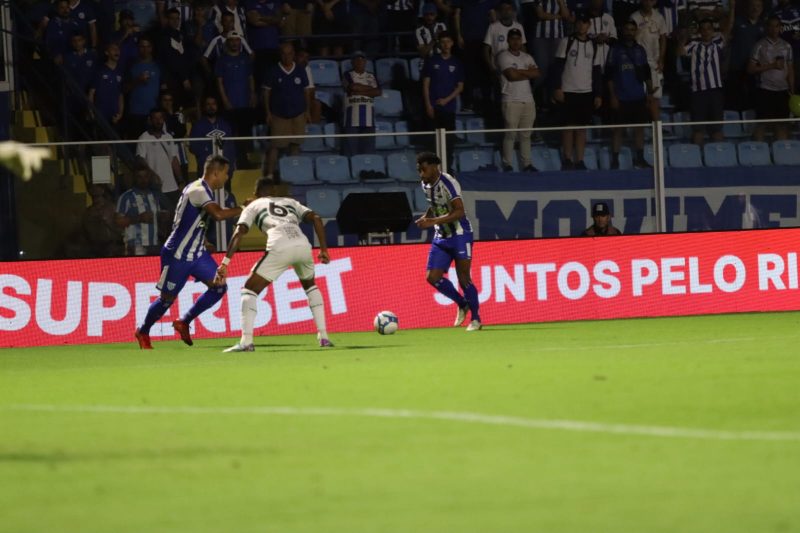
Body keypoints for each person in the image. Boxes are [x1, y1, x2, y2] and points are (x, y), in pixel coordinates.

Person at [134, 154, 243, 350]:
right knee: (166, 300)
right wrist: (244, 208)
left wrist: (204, 240)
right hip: (177, 254)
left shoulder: (203, 190)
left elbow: (196, 221)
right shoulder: (198, 190)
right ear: (216, 173)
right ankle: (143, 330)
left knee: (219, 287)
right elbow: (218, 215)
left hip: (198, 254)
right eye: (226, 173)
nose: (227, 177)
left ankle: (184, 321)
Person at [215, 178, 333, 352]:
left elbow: (240, 231)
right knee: (310, 286)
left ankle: (246, 342)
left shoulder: (253, 205)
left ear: (255, 194)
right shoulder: (290, 202)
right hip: (303, 245)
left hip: (280, 245)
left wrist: (225, 263)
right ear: (274, 192)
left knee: (249, 290)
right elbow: (316, 218)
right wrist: (324, 250)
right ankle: (324, 337)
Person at [414, 152, 482, 331]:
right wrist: (426, 217)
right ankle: (462, 303)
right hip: (441, 236)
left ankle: (476, 319)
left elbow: (459, 211)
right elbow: (435, 204)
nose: (421, 174)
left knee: (464, 278)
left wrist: (432, 221)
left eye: (424, 169)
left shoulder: (448, 183)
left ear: (434, 167)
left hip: (460, 234)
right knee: (432, 277)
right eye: (419, 170)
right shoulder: (425, 184)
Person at [552, 12, 603, 169]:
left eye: (585, 23)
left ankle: (580, 160)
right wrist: (557, 87)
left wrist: (598, 94)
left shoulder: (594, 45)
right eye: (579, 22)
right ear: (576, 24)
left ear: (589, 25)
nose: (582, 25)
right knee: (568, 127)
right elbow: (557, 66)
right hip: (568, 90)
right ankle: (567, 159)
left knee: (582, 128)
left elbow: (596, 71)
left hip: (586, 92)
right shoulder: (567, 41)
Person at [677, 13, 733, 146]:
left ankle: (718, 155)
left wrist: (732, 9)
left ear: (713, 31)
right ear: (699, 31)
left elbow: (729, 28)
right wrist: (684, 36)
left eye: (709, 28)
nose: (706, 31)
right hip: (698, 92)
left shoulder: (718, 43)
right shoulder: (694, 45)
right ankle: (697, 155)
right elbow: (679, 52)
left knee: (717, 129)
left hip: (715, 91)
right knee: (698, 129)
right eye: (703, 29)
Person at [606, 19, 654, 169]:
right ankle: (615, 160)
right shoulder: (615, 50)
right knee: (618, 130)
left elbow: (646, 73)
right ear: (622, 31)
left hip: (638, 96)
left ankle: (640, 158)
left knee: (639, 129)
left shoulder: (640, 50)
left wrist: (650, 93)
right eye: (627, 29)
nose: (629, 32)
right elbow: (609, 75)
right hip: (621, 96)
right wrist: (613, 96)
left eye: (632, 30)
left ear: (636, 32)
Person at [262, 40, 312, 180]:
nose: (287, 57)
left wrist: (307, 111)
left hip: (298, 114)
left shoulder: (300, 70)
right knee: (275, 146)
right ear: (280, 55)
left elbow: (306, 92)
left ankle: (292, 175)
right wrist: (268, 112)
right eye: (284, 54)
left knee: (295, 144)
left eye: (289, 54)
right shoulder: (273, 71)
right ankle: (269, 175)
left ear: (293, 54)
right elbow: (266, 92)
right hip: (278, 115)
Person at [496, 27, 540, 172]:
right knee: (510, 134)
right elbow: (511, 76)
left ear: (521, 40)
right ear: (508, 40)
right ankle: (507, 164)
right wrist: (527, 72)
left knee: (526, 134)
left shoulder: (527, 57)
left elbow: (536, 73)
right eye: (513, 39)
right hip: (511, 99)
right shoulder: (503, 56)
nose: (516, 41)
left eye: (518, 39)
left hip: (528, 100)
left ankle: (527, 164)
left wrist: (519, 71)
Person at [748, 15, 795, 141]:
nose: (774, 29)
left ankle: (781, 152)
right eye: (771, 26)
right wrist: (772, 66)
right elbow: (750, 69)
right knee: (762, 125)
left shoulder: (787, 46)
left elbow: (790, 70)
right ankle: (757, 151)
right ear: (767, 28)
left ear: (780, 28)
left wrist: (792, 90)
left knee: (781, 126)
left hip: (783, 91)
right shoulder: (760, 45)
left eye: (777, 26)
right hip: (765, 90)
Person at [422, 31, 464, 166]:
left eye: (448, 42)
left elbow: (460, 87)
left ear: (452, 43)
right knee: (433, 141)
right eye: (443, 42)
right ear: (439, 44)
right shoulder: (432, 61)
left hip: (449, 108)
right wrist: (428, 105)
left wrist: (446, 100)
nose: (446, 44)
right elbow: (425, 85)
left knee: (449, 141)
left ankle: (448, 168)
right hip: (434, 107)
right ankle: (434, 169)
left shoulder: (456, 62)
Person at [136, 107, 184, 207]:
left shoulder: (168, 137)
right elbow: (141, 160)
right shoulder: (143, 137)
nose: (158, 121)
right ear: (150, 120)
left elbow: (174, 160)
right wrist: (153, 176)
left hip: (172, 186)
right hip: (154, 186)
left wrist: (180, 180)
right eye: (155, 118)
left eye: (160, 118)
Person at [115, 163, 166, 255]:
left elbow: (156, 217)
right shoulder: (126, 197)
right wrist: (139, 218)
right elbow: (118, 221)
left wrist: (162, 216)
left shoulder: (153, 196)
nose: (143, 180)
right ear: (135, 178)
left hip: (154, 244)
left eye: (146, 177)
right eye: (139, 177)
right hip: (136, 245)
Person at [630, 0, 668, 120]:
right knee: (641, 97)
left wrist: (661, 59)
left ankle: (657, 126)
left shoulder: (659, 17)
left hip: (654, 62)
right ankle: (642, 125)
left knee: (655, 97)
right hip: (639, 63)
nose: (648, 2)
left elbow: (663, 38)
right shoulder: (634, 17)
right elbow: (630, 39)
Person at [341, 50, 382, 156]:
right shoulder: (347, 75)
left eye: (362, 60)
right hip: (351, 118)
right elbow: (352, 87)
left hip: (369, 119)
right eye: (357, 60)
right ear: (352, 62)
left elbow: (378, 92)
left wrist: (359, 90)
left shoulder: (371, 76)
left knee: (369, 153)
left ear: (365, 62)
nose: (360, 62)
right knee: (351, 152)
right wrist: (370, 90)